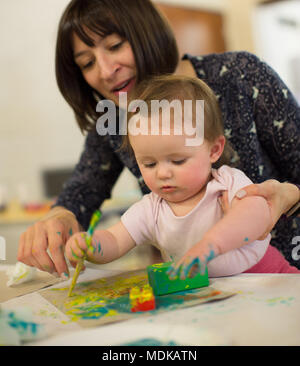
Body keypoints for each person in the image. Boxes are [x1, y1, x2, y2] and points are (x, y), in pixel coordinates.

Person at [17, 0, 300, 278]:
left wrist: (290, 195)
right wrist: (60, 215)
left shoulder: (240, 75)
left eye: (114, 46)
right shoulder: (114, 116)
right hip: (210, 290)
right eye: (87, 63)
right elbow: (83, 191)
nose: (104, 71)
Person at [65, 75, 299, 276]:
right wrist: (90, 246)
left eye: (178, 161)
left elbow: (256, 213)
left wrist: (211, 244)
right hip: (216, 296)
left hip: (268, 275)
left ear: (214, 150)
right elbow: (115, 240)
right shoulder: (151, 210)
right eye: (148, 163)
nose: (163, 173)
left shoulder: (225, 183)